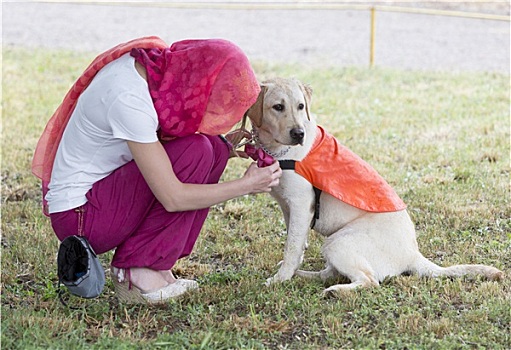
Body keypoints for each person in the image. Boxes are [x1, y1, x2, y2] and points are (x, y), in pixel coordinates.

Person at [32, 37, 282, 303]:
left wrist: (225, 150)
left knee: (210, 147)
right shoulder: (129, 98)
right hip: (80, 217)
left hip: (99, 196)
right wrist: (246, 186)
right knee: (196, 150)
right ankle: (137, 272)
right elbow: (172, 197)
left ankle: (155, 265)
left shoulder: (154, 68)